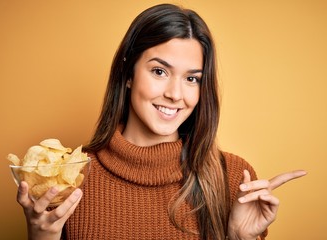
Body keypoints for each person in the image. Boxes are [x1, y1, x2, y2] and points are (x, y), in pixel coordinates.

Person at [16, 3, 306, 240]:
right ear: (128, 73)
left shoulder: (234, 178)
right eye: (159, 72)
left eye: (192, 78)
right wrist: (41, 237)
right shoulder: (69, 177)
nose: (175, 94)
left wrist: (236, 238)